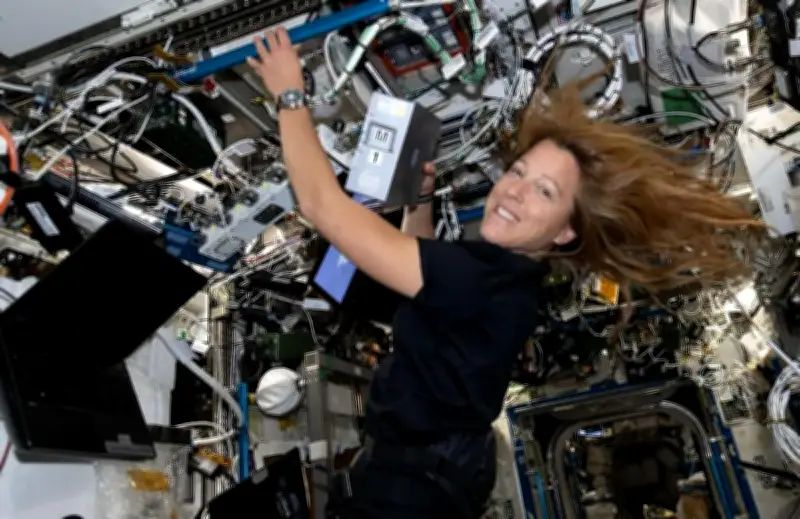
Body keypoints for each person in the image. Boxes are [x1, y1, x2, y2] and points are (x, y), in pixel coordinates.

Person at [247, 28, 766, 519]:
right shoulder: (507, 281)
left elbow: (320, 205)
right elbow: (419, 265)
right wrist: (421, 200)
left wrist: (290, 96)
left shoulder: (482, 279)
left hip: (407, 491)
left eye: (544, 191)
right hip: (426, 478)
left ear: (565, 232)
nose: (514, 190)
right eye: (518, 172)